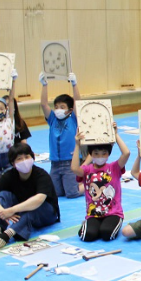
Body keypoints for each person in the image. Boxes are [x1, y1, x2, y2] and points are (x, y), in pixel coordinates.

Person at [0, 143, 61, 250]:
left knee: (32, 208)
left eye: (27, 157)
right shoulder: (10, 175)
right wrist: (2, 211)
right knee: (3, 195)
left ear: (32, 158)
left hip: (46, 213)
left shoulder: (42, 175)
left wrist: (12, 210)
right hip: (22, 209)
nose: (24, 161)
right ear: (13, 163)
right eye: (19, 159)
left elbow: (38, 200)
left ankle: (8, 234)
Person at [71, 123, 130, 242]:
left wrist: (116, 134)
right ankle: (89, 225)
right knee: (87, 236)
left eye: (104, 153)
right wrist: (77, 145)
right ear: (91, 154)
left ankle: (109, 224)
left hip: (113, 213)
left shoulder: (114, 167)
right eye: (96, 154)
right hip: (94, 214)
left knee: (106, 234)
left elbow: (126, 153)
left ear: (108, 154)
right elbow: (74, 168)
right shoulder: (87, 170)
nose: (100, 156)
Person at [39, 71, 83, 199]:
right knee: (57, 193)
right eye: (56, 106)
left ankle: (87, 184)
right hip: (55, 163)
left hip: (70, 162)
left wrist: (74, 85)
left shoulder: (73, 119)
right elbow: (43, 104)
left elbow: (78, 103)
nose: (58, 109)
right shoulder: (52, 119)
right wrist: (44, 85)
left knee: (72, 193)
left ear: (69, 110)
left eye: (62, 107)